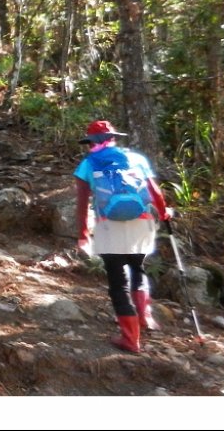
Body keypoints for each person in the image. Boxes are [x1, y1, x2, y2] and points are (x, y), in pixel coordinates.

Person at [73, 120, 171, 353]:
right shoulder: (136, 159)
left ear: (91, 142)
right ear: (113, 138)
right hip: (142, 222)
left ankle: (131, 338)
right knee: (138, 270)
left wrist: (82, 233)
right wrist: (164, 212)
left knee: (118, 282)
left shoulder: (88, 164)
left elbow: (82, 202)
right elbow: (154, 191)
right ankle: (144, 317)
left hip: (108, 226)